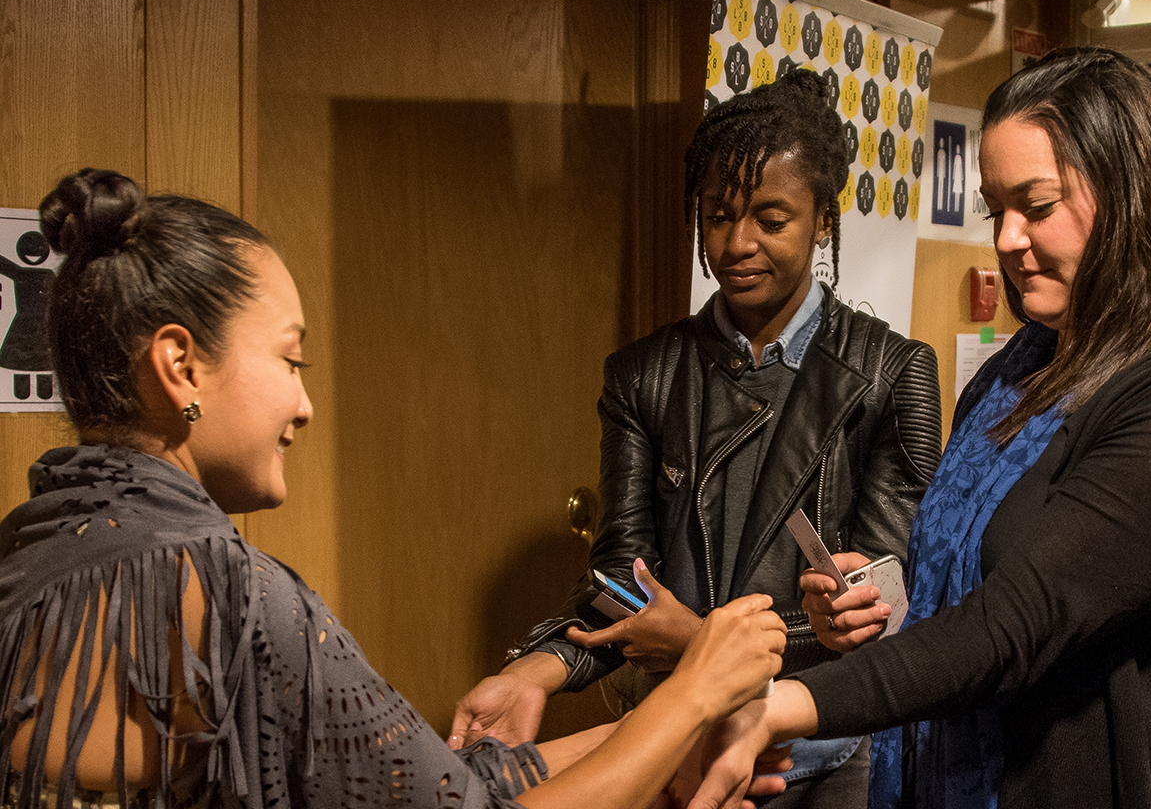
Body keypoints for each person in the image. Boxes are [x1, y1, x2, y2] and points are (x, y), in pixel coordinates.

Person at [0, 168, 788, 809]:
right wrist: (693, 692)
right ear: (181, 366)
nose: (304, 405)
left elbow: (421, 786)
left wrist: (663, 737)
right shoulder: (233, 597)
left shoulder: (32, 559)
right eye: (290, 361)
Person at [685, 46, 1151, 809]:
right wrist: (885, 604)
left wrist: (782, 706)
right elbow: (972, 583)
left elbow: (1017, 622)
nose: (1005, 238)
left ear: (1133, 197)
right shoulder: (1020, 368)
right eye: (994, 209)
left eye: (1036, 207)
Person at [452, 69, 942, 806]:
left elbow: (885, 607)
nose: (737, 244)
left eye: (771, 220)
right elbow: (623, 575)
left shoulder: (891, 372)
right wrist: (534, 670)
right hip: (676, 743)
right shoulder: (644, 374)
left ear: (823, 222)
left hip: (822, 751)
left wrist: (695, 638)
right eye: (717, 217)